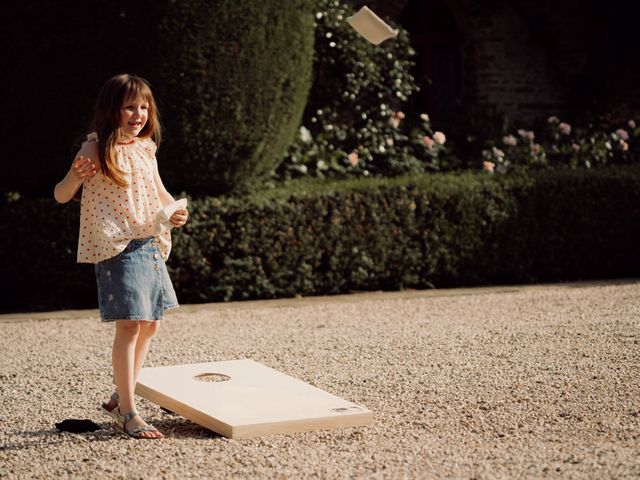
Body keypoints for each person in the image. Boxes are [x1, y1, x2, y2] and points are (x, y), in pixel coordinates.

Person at [54, 74, 188, 439]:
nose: (138, 113)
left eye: (144, 106)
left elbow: (161, 193)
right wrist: (72, 176)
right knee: (129, 324)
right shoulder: (95, 149)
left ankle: (121, 392)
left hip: (149, 244)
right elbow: (62, 195)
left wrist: (175, 211)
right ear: (112, 109)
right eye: (130, 106)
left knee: (152, 323)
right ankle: (129, 412)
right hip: (118, 247)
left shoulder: (146, 148)